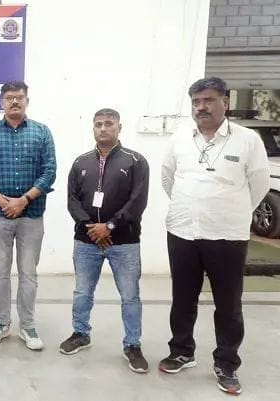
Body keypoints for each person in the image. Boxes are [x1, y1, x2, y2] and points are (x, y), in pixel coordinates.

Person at [160, 77, 270, 395]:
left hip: (227, 236)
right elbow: (168, 178)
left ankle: (226, 363)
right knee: (183, 298)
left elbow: (259, 185)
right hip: (182, 231)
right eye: (196, 102)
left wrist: (230, 211)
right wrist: (190, 204)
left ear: (225, 102)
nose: (201, 107)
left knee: (228, 304)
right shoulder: (180, 139)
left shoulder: (247, 140)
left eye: (208, 100)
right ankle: (182, 351)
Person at [61, 108, 150, 373]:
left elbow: (138, 201)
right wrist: (91, 227)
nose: (103, 128)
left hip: (124, 242)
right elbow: (72, 200)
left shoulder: (135, 161)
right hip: (86, 241)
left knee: (130, 296)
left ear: (119, 128)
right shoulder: (81, 162)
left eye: (109, 123)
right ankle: (81, 333)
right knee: (82, 292)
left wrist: (109, 226)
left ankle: (132, 345)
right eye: (98, 124)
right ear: (93, 128)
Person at [0, 80, 56, 351]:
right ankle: (1, 323)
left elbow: (49, 172)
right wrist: (3, 202)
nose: (15, 102)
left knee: (28, 273)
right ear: (2, 102)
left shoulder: (42, 132)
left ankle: (28, 326)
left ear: (27, 101)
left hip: (32, 214)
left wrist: (23, 200)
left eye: (20, 97)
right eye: (9, 97)